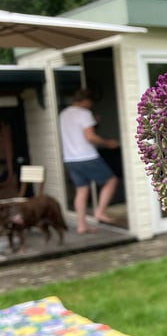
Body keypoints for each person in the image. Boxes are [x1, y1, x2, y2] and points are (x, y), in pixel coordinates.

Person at [58, 89, 120, 234]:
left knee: (82, 190)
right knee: (111, 180)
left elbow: (75, 131)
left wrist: (94, 122)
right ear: (85, 100)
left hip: (70, 159)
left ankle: (81, 225)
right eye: (90, 102)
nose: (90, 105)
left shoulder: (64, 114)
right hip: (86, 157)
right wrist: (108, 143)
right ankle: (100, 212)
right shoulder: (84, 113)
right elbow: (90, 137)